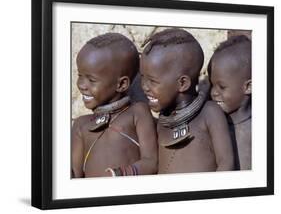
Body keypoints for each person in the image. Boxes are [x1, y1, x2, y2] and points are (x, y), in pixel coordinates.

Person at [140, 28, 234, 174]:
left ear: (182, 83)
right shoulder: (163, 121)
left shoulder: (210, 113)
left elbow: (226, 164)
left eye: (152, 81)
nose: (144, 87)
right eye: (142, 77)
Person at [72, 33, 158, 178]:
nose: (81, 85)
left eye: (91, 80)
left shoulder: (137, 113)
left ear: (121, 84)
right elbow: (75, 173)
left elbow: (151, 162)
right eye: (80, 75)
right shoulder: (81, 125)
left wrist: (122, 174)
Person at [208, 35, 251, 170]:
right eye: (212, 85)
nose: (214, 92)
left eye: (221, 87)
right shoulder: (211, 122)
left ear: (248, 87)